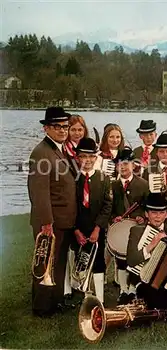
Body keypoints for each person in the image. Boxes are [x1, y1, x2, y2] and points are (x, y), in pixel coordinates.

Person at [28, 106, 77, 317]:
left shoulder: (59, 148)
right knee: (45, 264)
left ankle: (55, 301)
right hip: (50, 222)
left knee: (58, 265)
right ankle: (41, 307)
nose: (63, 130)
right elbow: (39, 192)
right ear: (46, 128)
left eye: (65, 126)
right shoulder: (41, 153)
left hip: (63, 220)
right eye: (57, 127)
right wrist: (47, 223)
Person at [126, 193, 167, 310]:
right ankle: (134, 294)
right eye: (154, 213)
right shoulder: (136, 231)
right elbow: (131, 261)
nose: (158, 217)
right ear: (146, 214)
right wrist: (152, 244)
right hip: (141, 277)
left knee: (161, 300)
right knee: (154, 301)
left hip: (163, 280)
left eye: (162, 213)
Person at [74, 137, 112, 304]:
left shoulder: (104, 178)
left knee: (98, 262)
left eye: (90, 157)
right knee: (80, 260)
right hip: (78, 228)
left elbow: (107, 205)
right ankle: (84, 293)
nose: (87, 160)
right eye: (83, 156)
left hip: (97, 228)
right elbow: (70, 206)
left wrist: (98, 228)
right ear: (77, 158)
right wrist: (76, 230)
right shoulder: (72, 179)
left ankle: (100, 298)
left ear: (96, 158)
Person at [110, 147, 149, 305]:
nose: (123, 167)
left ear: (134, 165)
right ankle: (122, 290)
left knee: (134, 260)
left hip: (136, 230)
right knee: (120, 260)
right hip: (120, 229)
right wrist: (114, 218)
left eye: (127, 163)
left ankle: (133, 290)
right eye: (120, 163)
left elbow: (148, 208)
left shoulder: (143, 184)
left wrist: (142, 218)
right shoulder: (113, 186)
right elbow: (109, 208)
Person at [63, 114, 89, 299]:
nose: (77, 133)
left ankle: (80, 280)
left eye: (80, 129)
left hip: (84, 200)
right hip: (68, 201)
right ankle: (66, 286)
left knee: (82, 244)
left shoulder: (87, 149)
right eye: (73, 130)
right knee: (68, 244)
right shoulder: (64, 151)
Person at [142, 132, 167, 206]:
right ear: (157, 153)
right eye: (161, 151)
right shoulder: (148, 171)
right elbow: (144, 194)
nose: (165, 154)